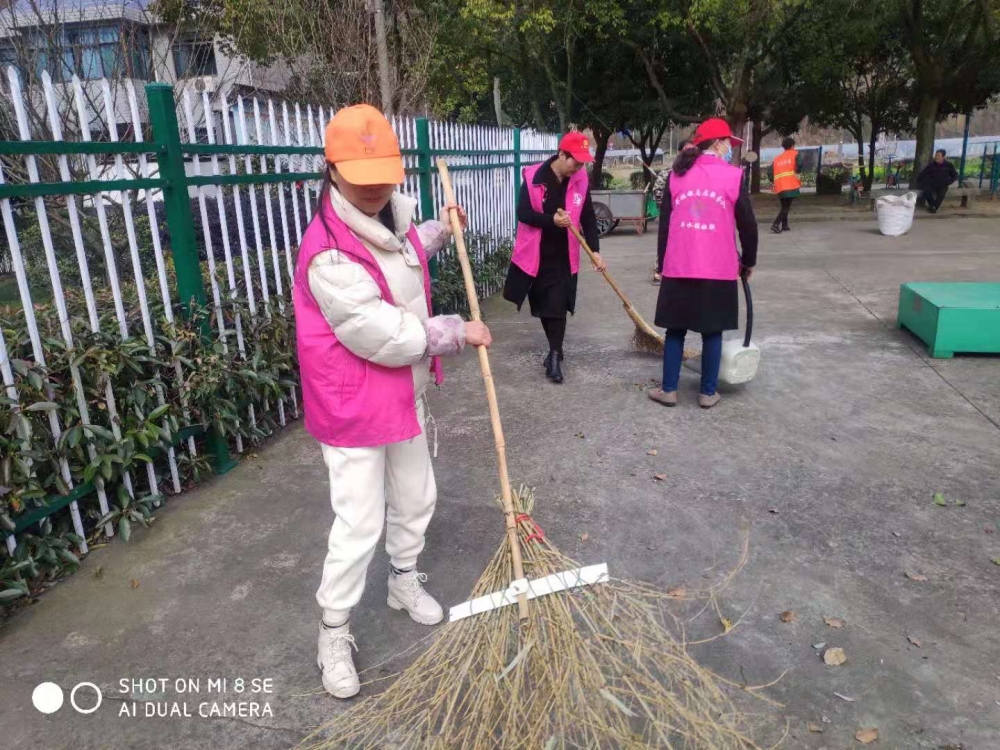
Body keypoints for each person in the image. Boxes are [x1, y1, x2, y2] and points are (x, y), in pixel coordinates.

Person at [293, 104, 491, 699]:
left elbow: (399, 260)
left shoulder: (386, 220)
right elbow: (383, 332)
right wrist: (456, 332)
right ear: (333, 171)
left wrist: (436, 231)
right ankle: (333, 631)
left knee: (416, 496)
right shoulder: (327, 251)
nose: (377, 185)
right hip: (353, 405)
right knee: (358, 523)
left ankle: (402, 580)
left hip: (402, 396)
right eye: (363, 175)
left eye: (384, 172)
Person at [649, 118, 758, 410]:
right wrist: (748, 260)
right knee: (712, 331)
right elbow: (748, 225)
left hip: (679, 265)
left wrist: (662, 263)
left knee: (675, 329)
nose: (730, 150)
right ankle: (708, 393)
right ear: (718, 143)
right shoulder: (734, 176)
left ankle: (669, 390)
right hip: (718, 269)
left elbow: (665, 226)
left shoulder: (677, 174)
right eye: (728, 144)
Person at [503, 132, 606, 384]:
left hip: (564, 254)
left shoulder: (580, 179)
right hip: (536, 254)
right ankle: (554, 349)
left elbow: (588, 216)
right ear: (561, 155)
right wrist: (552, 220)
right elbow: (523, 214)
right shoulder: (534, 177)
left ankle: (554, 354)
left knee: (558, 304)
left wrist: (595, 251)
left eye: (583, 163)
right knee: (543, 306)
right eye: (576, 162)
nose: (579, 168)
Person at [652, 139, 692, 283]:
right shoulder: (670, 170)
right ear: (680, 152)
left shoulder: (695, 170)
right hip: (670, 212)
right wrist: (664, 207)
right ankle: (659, 269)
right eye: (687, 150)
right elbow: (657, 190)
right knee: (666, 238)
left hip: (689, 215)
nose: (690, 153)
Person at [768, 136, 802, 233]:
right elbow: (799, 165)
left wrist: (774, 181)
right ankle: (775, 224)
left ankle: (785, 225)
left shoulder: (777, 158)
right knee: (786, 207)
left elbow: (769, 172)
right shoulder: (795, 154)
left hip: (780, 186)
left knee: (784, 205)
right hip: (790, 184)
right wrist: (798, 172)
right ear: (792, 145)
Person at [917, 149, 959, 213]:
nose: (936, 157)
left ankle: (934, 207)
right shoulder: (931, 165)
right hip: (932, 184)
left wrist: (948, 182)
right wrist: (924, 182)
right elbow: (923, 174)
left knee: (942, 193)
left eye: (939, 156)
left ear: (943, 157)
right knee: (926, 191)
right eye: (936, 155)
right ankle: (933, 206)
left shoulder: (948, 165)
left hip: (943, 184)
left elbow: (955, 176)